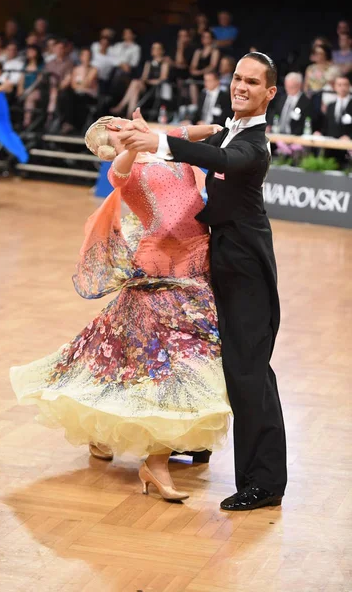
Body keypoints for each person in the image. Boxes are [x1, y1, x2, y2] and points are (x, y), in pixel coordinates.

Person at [10, 112, 233, 502]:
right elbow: (119, 171)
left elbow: (195, 132)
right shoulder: (124, 167)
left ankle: (118, 436)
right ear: (111, 142)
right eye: (114, 128)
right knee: (169, 363)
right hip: (161, 271)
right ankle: (157, 461)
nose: (123, 125)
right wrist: (130, 147)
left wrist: (220, 130)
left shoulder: (162, 143)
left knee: (134, 359)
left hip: (198, 265)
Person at [119, 52, 288, 511]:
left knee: (249, 372)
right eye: (238, 78)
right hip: (226, 264)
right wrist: (144, 132)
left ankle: (266, 483)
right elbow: (199, 138)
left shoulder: (252, 146)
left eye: (253, 82)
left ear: (270, 93)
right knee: (226, 364)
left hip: (248, 270)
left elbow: (217, 155)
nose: (242, 86)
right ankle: (201, 444)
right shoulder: (231, 129)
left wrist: (157, 140)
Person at [110, 42, 169, 119]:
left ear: (162, 51)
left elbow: (163, 78)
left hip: (155, 89)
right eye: (153, 48)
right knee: (135, 85)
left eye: (157, 48)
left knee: (135, 85)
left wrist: (149, 81)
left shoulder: (164, 63)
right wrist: (144, 81)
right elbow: (144, 77)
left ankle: (122, 108)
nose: (155, 50)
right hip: (145, 86)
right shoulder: (149, 63)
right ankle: (129, 115)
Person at [314, 74, 352, 168]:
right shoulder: (330, 106)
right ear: (335, 87)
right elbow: (326, 127)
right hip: (330, 149)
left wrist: (350, 137)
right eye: (339, 85)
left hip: (347, 151)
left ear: (349, 87)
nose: (342, 87)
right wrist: (319, 133)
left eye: (345, 84)